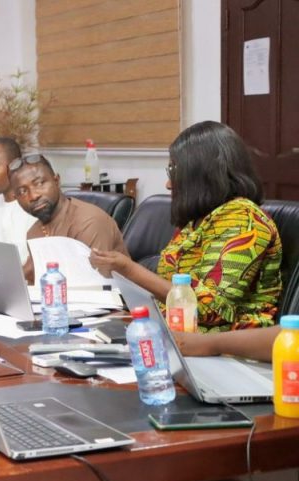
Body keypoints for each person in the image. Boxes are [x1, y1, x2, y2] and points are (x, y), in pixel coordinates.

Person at [90, 121, 282, 332]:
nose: (168, 184)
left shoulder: (243, 219)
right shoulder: (196, 220)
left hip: (225, 344)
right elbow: (169, 291)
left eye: (174, 171)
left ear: (201, 173)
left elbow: (210, 307)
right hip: (175, 333)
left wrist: (129, 269)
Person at [8, 154, 128, 281]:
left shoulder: (89, 223)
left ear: (57, 181)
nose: (33, 196)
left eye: (39, 183)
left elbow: (96, 286)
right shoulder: (33, 233)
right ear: (15, 198)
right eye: (22, 191)